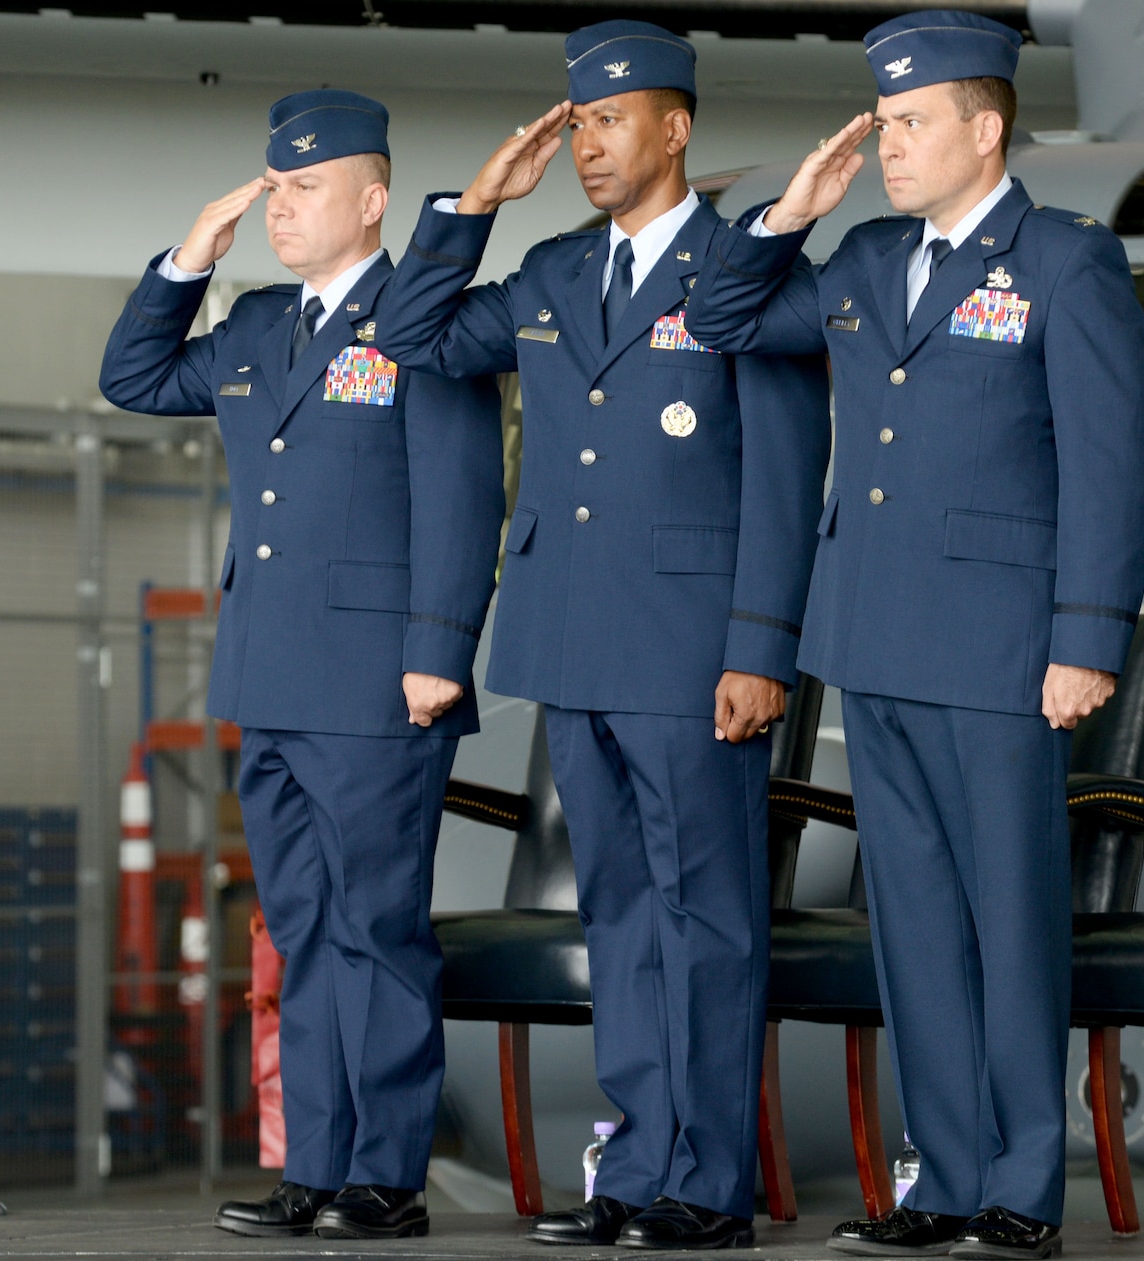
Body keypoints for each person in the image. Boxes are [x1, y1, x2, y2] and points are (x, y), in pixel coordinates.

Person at [683, 12, 1144, 1260]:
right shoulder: (860, 257)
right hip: (871, 642)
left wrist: (1086, 639)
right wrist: (791, 211)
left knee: (1009, 920)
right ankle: (940, 1181)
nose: (887, 144)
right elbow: (725, 318)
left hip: (1003, 648)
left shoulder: (1060, 262)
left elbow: (1109, 466)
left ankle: (1017, 1190)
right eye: (880, 122)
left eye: (908, 123)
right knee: (914, 931)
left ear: (982, 128)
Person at [373, 21, 830, 1251]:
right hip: (572, 643)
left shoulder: (744, 272)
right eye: (574, 124)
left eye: (609, 120)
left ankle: (706, 1184)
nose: (584, 143)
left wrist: (759, 646)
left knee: (709, 916)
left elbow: (785, 477)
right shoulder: (549, 278)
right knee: (618, 915)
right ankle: (632, 1173)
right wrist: (473, 206)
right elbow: (412, 337)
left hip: (693, 652)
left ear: (673, 129)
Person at [99, 89, 503, 1242]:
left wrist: (437, 653)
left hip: (379, 683)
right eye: (274, 189)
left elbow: (461, 496)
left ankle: (383, 1174)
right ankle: (314, 1168)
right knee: (302, 932)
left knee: (376, 929)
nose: (281, 210)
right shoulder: (250, 327)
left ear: (372, 200)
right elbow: (131, 376)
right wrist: (189, 258)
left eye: (305, 190)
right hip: (267, 678)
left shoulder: (420, 321)